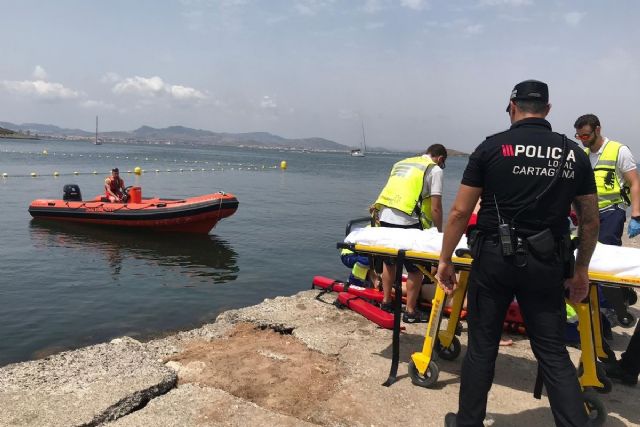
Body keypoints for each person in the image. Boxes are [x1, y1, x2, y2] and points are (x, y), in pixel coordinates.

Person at [436, 80, 600, 426]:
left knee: (482, 347)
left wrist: (445, 258)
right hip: (546, 262)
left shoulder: (491, 149)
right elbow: (589, 220)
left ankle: (468, 422)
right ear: (548, 110)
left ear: (512, 106)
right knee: (553, 352)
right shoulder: (574, 154)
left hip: (495, 258)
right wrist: (581, 269)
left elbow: (460, 213)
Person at [373, 144, 447, 323]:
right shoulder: (435, 169)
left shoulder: (403, 163)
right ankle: (411, 311)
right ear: (440, 159)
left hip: (385, 215)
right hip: (407, 219)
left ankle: (386, 302)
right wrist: (439, 233)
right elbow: (436, 207)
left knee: (389, 262)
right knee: (416, 269)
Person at [573, 114, 640, 243]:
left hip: (613, 209)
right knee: (586, 251)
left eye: (585, 136)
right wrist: (573, 210)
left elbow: (634, 182)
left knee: (607, 248)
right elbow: (578, 186)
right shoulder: (584, 155)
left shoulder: (619, 150)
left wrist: (636, 215)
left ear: (597, 130)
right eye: (579, 136)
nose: (582, 140)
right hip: (590, 210)